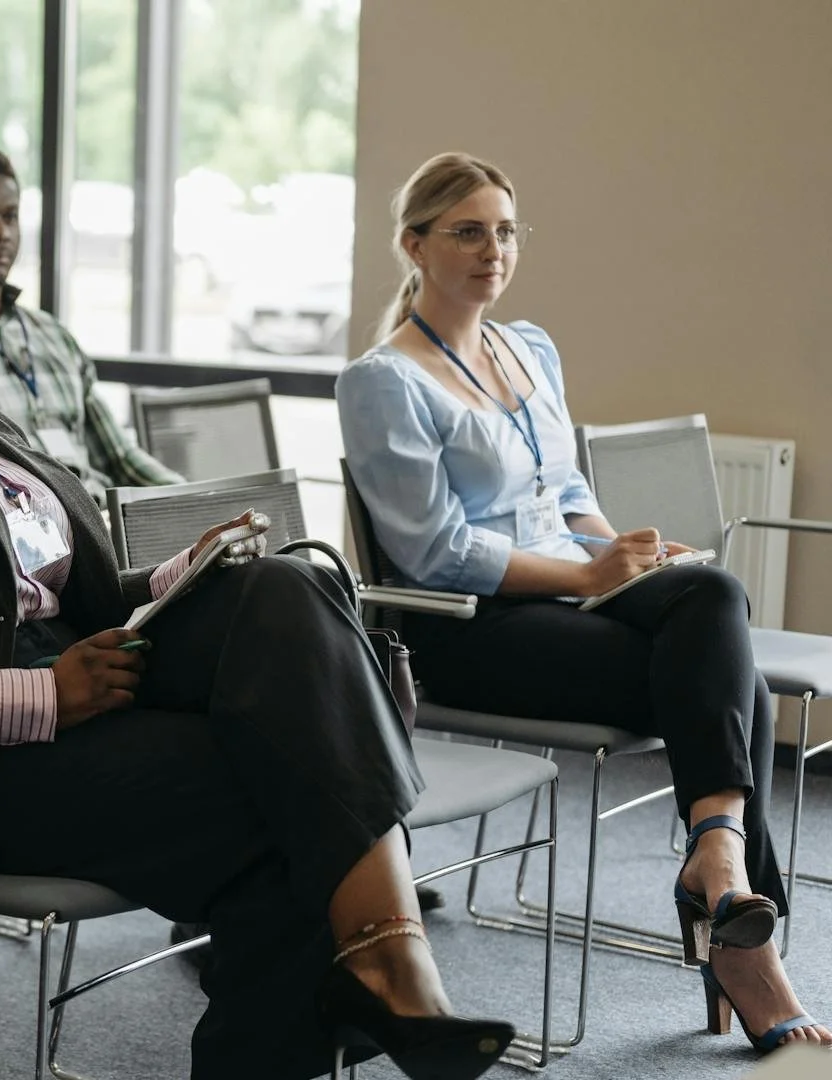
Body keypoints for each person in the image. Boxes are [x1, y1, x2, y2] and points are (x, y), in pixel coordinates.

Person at [0, 156, 513, 1080]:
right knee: (286, 801)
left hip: (87, 684)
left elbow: (86, 595)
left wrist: (188, 572)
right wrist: (36, 696)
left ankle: (387, 966)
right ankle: (387, 966)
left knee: (282, 584)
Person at [338, 151, 828, 1057]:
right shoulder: (385, 379)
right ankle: (738, 933)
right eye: (469, 231)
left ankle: (717, 865)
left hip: (572, 598)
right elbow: (432, 552)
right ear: (414, 244)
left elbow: (566, 491)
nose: (496, 249)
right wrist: (586, 578)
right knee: (738, 690)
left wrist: (618, 551)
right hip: (471, 628)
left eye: (508, 230)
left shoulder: (528, 347)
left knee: (708, 606)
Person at [0, 146, 183, 500]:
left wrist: (196, 500)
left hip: (101, 518)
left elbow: (120, 458)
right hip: (36, 533)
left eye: (10, 216)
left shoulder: (52, 335)